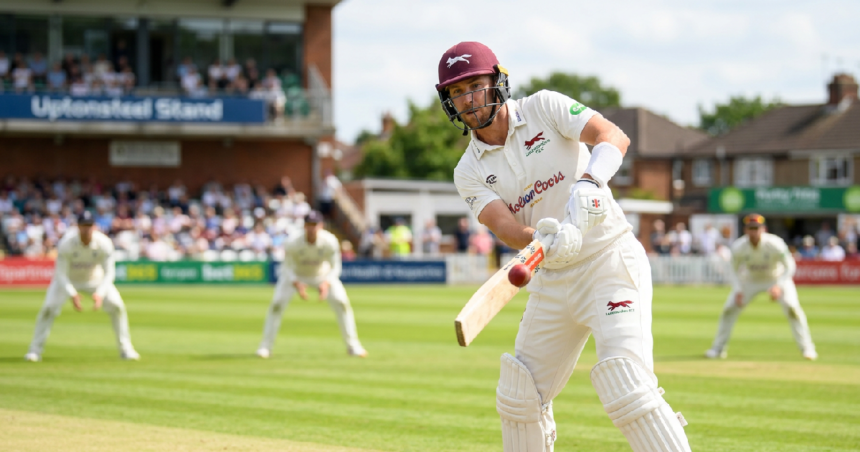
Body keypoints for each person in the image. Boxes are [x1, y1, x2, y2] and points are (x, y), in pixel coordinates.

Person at [437, 41, 690, 451]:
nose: (468, 99)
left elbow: (613, 136)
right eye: (456, 92)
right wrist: (541, 236)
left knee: (627, 384)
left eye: (475, 85)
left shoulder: (544, 107)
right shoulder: (468, 169)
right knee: (519, 398)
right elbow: (504, 225)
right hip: (552, 278)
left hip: (609, 261)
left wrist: (591, 182)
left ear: (497, 81)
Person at [24, 211, 140, 362]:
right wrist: (72, 294)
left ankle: (126, 349)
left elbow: (109, 272)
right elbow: (60, 274)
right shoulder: (66, 243)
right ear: (78, 227)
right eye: (83, 226)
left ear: (94, 227)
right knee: (48, 308)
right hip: (68, 280)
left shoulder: (104, 243)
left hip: (95, 279)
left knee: (117, 306)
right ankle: (34, 351)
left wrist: (100, 293)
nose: (86, 229)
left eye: (89, 226)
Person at [705, 213, 817, 361]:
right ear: (745, 230)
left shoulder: (775, 243)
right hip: (751, 279)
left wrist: (779, 285)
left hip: (776, 277)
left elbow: (790, 266)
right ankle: (718, 349)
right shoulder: (739, 246)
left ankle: (807, 348)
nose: (753, 232)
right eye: (750, 228)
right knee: (729, 309)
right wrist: (738, 289)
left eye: (756, 228)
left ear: (763, 229)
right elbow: (732, 269)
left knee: (792, 308)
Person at [257, 211, 367, 358]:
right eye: (309, 225)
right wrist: (296, 282)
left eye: (315, 225)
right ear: (304, 226)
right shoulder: (292, 241)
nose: (312, 228)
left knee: (342, 303)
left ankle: (353, 346)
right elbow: (286, 267)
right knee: (277, 304)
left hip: (322, 275)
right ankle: (265, 347)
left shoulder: (330, 241)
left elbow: (335, 267)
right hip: (295, 275)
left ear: (321, 226)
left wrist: (326, 282)